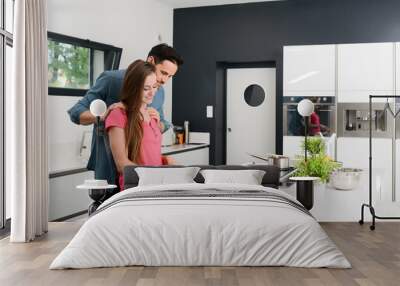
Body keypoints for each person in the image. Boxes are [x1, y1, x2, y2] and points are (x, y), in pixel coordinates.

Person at [67, 44, 183, 186]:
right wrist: (105, 114)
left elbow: (162, 124)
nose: (164, 81)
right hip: (110, 168)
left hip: (143, 175)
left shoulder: (159, 91)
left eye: (170, 76)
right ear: (151, 61)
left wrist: (157, 122)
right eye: (163, 73)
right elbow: (76, 112)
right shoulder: (111, 80)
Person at [105, 60, 172, 190]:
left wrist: (165, 160)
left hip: (158, 186)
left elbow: (148, 156)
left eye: (155, 87)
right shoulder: (118, 115)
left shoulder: (152, 116)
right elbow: (122, 164)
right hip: (137, 188)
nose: (152, 93)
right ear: (133, 87)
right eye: (146, 88)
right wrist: (155, 177)